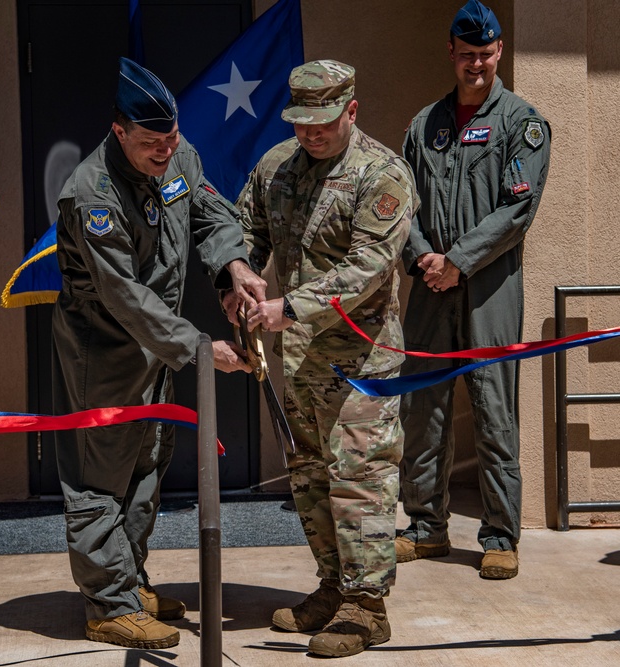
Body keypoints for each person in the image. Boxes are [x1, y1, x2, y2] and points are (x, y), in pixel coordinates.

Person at [52, 57, 265, 649]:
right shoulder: (91, 195)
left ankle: (129, 583)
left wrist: (233, 267)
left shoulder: (178, 153)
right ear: (119, 132)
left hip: (159, 346)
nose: (166, 152)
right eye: (151, 143)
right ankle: (107, 606)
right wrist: (197, 348)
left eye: (171, 138)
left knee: (146, 463)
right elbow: (124, 296)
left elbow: (210, 212)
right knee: (101, 474)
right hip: (107, 349)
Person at [233, 60, 417, 658]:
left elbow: (368, 266)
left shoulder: (382, 173)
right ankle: (334, 586)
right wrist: (236, 277)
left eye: (324, 123)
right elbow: (247, 232)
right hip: (297, 361)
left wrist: (292, 307)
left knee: (360, 480)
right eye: (302, 123)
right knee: (310, 475)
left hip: (362, 362)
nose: (312, 134)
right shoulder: (274, 168)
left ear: (352, 110)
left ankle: (367, 608)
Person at [396, 0, 551, 580]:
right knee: (423, 405)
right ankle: (425, 527)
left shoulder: (521, 122)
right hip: (431, 285)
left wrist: (459, 261)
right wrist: (424, 260)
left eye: (485, 54)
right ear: (451, 54)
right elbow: (402, 204)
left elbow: (519, 207)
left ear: (500, 51)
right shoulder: (424, 125)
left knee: (493, 407)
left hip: (489, 287)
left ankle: (500, 535)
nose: (476, 65)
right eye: (467, 55)